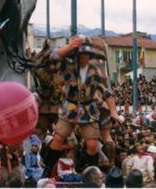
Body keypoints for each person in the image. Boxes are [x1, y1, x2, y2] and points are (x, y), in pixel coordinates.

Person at [41, 36, 118, 178]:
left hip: (88, 109)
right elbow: (52, 58)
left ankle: (92, 171)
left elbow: (107, 92)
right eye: (80, 55)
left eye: (86, 55)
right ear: (76, 55)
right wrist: (70, 47)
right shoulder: (67, 66)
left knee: (92, 144)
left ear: (90, 56)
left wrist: (113, 111)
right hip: (69, 107)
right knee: (58, 138)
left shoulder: (97, 70)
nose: (83, 58)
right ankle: (47, 170)